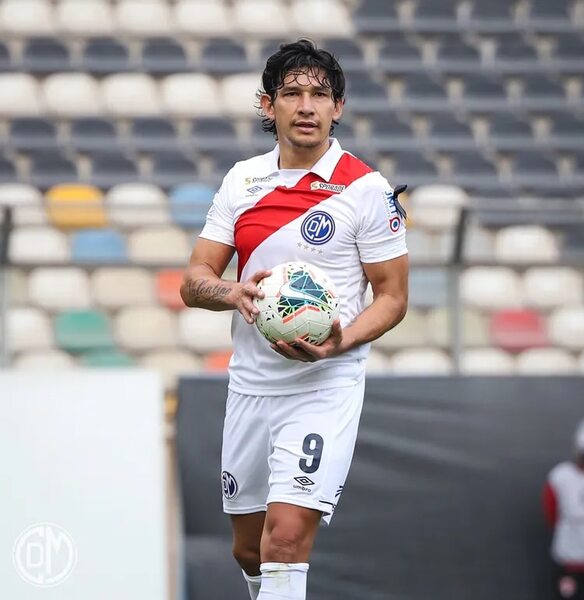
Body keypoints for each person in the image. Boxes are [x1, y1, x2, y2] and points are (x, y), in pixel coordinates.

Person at [181, 39, 408, 600]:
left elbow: (393, 296)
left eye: (320, 95)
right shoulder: (242, 181)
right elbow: (193, 280)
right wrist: (230, 291)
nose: (306, 106)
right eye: (292, 93)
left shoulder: (366, 190)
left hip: (323, 387)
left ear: (339, 108)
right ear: (268, 106)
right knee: (249, 547)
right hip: (252, 387)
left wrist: (342, 340)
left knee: (285, 539)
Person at [543, 418, 584, 600]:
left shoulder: (559, 476)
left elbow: (551, 515)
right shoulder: (559, 477)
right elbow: (551, 513)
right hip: (574, 559)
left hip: (570, 557)